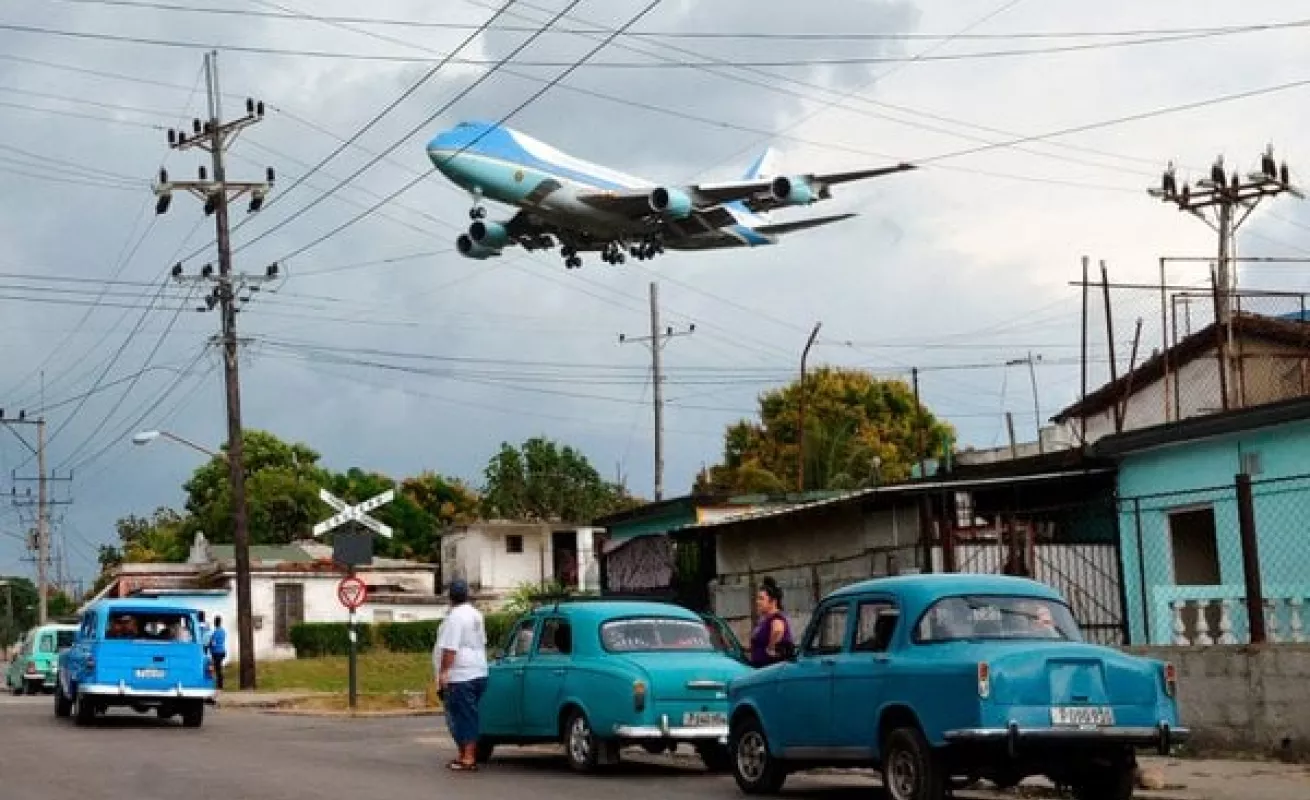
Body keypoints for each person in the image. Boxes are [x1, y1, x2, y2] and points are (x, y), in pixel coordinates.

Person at [434, 579, 488, 772]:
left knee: (462, 716)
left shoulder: (455, 617)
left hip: (462, 674)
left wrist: (444, 673)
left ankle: (468, 757)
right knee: (466, 714)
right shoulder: (476, 615)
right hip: (479, 670)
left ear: (450, 597)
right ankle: (464, 754)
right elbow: (482, 641)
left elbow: (450, 649)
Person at [748, 577, 794, 667]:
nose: (757, 602)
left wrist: (771, 647)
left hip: (770, 670)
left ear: (773, 601)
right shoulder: (766, 619)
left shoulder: (776, 618)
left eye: (761, 599)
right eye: (757, 598)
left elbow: (778, 630)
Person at [208, 616, 228, 689]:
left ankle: (219, 685)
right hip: (222, 651)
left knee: (217, 669)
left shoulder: (215, 632)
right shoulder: (223, 631)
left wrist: (208, 646)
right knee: (219, 667)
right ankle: (220, 684)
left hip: (216, 652)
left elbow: (213, 643)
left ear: (215, 622)